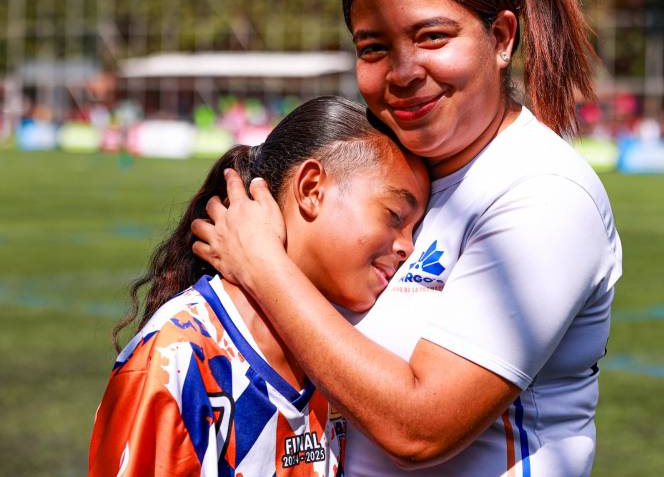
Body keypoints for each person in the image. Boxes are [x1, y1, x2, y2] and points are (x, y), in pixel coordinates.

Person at [193, 0, 622, 477]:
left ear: (501, 38)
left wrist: (262, 266)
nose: (402, 72)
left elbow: (420, 428)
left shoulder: (542, 192)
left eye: (432, 38)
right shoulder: (393, 173)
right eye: (373, 48)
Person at [88, 96, 429, 476]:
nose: (408, 247)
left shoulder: (342, 357)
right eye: (395, 215)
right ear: (312, 188)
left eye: (415, 227)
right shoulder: (177, 358)